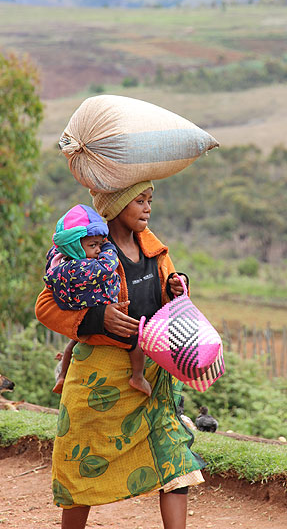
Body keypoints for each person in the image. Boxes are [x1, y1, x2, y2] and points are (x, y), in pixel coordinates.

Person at [35, 180, 204, 529]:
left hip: (152, 373)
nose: (147, 208)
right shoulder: (90, 249)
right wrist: (97, 317)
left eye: (149, 200)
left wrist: (177, 287)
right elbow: (45, 306)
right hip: (100, 379)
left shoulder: (152, 248)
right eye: (139, 201)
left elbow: (168, 288)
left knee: (175, 460)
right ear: (114, 206)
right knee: (82, 465)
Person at [44, 204, 151, 397]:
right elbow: (108, 264)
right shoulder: (84, 266)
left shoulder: (58, 261)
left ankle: (62, 376)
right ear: (74, 246)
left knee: (73, 343)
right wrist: (108, 245)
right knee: (136, 342)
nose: (98, 250)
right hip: (101, 317)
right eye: (93, 246)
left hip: (80, 312)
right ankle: (137, 377)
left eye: (99, 245)